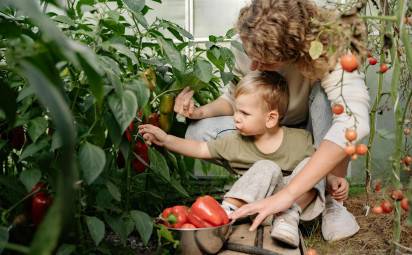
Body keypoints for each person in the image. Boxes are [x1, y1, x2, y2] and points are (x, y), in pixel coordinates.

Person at [173, 0, 369, 241]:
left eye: (266, 61)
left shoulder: (332, 49)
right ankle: (267, 186)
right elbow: (236, 98)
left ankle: (327, 197)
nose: (254, 66)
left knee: (331, 100)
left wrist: (286, 197)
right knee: (199, 132)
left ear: (296, 52)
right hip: (265, 133)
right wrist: (199, 112)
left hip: (310, 134)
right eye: (250, 56)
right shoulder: (251, 36)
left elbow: (353, 122)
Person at [139, 71, 326, 248]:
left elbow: (321, 167)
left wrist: (334, 179)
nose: (235, 118)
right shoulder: (234, 142)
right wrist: (165, 139)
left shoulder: (300, 139)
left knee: (313, 164)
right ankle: (225, 214)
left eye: (244, 113)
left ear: (270, 118)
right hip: (254, 207)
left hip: (292, 208)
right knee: (266, 166)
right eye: (236, 110)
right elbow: (200, 148)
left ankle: (287, 218)